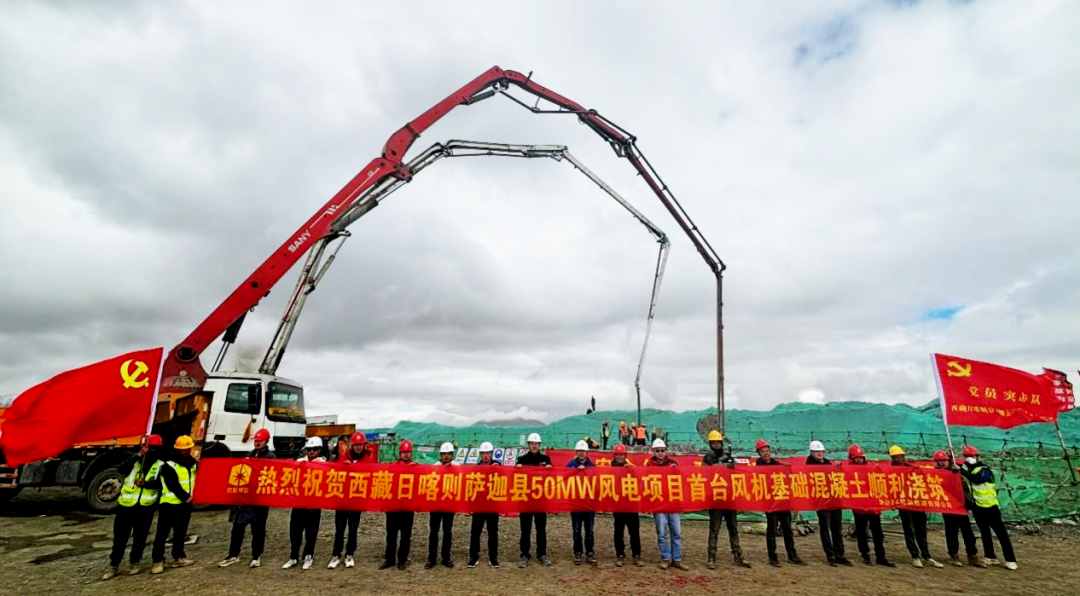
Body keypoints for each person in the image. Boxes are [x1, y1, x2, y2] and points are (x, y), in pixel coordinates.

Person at [103, 434, 164, 580]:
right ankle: (114, 565)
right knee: (120, 539)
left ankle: (135, 563)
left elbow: (162, 485)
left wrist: (146, 484)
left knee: (140, 538)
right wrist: (138, 455)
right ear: (145, 447)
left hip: (145, 507)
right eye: (150, 448)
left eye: (155, 448)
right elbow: (121, 470)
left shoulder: (160, 465)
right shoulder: (136, 461)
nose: (152, 451)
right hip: (126, 506)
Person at [219, 428, 275, 569]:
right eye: (256, 441)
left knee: (258, 529)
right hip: (243, 499)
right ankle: (233, 555)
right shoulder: (249, 455)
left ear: (266, 441)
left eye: (260, 441)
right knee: (237, 528)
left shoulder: (270, 457)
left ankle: (256, 556)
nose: (257, 443)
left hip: (258, 500)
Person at [960, 445, 1017, 570]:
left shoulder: (985, 469)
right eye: (966, 456)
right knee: (984, 532)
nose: (969, 458)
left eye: (971, 456)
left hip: (991, 506)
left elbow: (978, 480)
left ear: (977, 456)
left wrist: (961, 470)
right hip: (977, 506)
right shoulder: (967, 469)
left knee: (1001, 533)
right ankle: (990, 556)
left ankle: (1010, 559)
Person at [889, 445, 943, 568]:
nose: (899, 459)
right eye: (896, 457)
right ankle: (915, 556)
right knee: (909, 531)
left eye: (901, 456)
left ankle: (927, 556)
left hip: (917, 503)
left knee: (921, 531)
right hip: (904, 505)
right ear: (892, 458)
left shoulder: (912, 469)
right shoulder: (889, 471)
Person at [151, 435, 198, 574]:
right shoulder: (168, 465)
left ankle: (178, 557)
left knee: (181, 533)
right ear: (177, 449)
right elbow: (172, 484)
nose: (186, 451)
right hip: (170, 504)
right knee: (162, 534)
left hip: (185, 505)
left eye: (188, 449)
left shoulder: (192, 463)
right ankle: (157, 561)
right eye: (183, 449)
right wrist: (186, 497)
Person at [702, 430, 749, 569]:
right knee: (714, 529)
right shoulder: (707, 458)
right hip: (716, 499)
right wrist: (722, 467)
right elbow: (704, 474)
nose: (716, 444)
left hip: (729, 498)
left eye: (718, 442)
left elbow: (735, 474)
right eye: (713, 442)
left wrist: (732, 466)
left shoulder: (728, 456)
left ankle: (738, 555)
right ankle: (711, 557)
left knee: (733, 529)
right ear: (710, 444)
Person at [933, 450, 985, 568]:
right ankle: (954, 555)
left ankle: (972, 556)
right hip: (947, 506)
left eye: (944, 460)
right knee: (951, 532)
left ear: (948, 460)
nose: (942, 463)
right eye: (939, 461)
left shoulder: (957, 470)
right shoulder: (935, 474)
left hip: (960, 505)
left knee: (968, 532)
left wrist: (958, 471)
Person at [755, 439, 803, 567]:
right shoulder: (758, 466)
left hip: (782, 500)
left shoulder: (776, 464)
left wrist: (787, 468)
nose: (766, 453)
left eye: (767, 451)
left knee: (787, 529)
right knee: (772, 530)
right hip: (770, 503)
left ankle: (792, 554)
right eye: (763, 451)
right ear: (759, 453)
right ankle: (772, 556)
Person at [283, 437, 327, 570]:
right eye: (309, 449)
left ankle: (308, 556)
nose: (311, 452)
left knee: (311, 532)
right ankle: (293, 556)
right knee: (295, 531)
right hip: (299, 503)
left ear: (319, 450)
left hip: (313, 504)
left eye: (314, 449)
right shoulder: (300, 462)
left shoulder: (324, 464)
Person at [847, 444, 894, 567]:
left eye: (860, 457)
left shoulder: (871, 467)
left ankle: (881, 556)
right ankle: (865, 554)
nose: (859, 460)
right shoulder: (847, 468)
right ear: (851, 458)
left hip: (873, 507)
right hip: (859, 507)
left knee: (878, 532)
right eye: (856, 458)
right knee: (861, 532)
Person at [806, 440, 851, 566]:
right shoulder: (808, 466)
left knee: (837, 529)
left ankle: (840, 555)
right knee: (825, 529)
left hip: (834, 500)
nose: (819, 454)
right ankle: (830, 555)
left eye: (821, 451)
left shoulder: (827, 463)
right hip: (822, 502)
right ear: (812, 452)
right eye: (816, 452)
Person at [329, 432, 368, 569]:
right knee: (339, 529)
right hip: (342, 501)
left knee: (353, 530)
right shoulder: (343, 457)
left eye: (360, 445)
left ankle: (349, 554)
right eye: (356, 445)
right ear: (352, 445)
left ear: (364, 445)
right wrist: (342, 467)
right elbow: (334, 474)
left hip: (356, 501)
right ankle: (336, 555)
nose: (358, 447)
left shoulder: (368, 460)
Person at [646, 439, 687, 570]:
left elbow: (681, 481)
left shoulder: (673, 464)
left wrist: (676, 471)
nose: (660, 453)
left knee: (676, 532)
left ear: (666, 451)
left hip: (673, 503)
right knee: (662, 532)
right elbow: (645, 482)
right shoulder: (649, 466)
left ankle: (677, 559)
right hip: (659, 504)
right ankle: (666, 558)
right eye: (657, 451)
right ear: (653, 452)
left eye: (662, 451)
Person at [516, 432, 553, 568]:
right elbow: (514, 477)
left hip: (540, 500)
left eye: (536, 444)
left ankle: (541, 554)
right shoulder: (522, 460)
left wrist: (551, 469)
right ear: (528, 445)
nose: (534, 446)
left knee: (541, 529)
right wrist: (517, 468)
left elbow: (553, 478)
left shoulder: (546, 460)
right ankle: (524, 554)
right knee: (525, 529)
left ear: (539, 445)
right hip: (526, 500)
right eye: (532, 444)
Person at [382, 439, 419, 570]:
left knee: (405, 535)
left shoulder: (416, 468)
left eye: (408, 452)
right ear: (400, 453)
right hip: (393, 506)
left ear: (411, 453)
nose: (405, 455)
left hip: (408, 507)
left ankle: (402, 559)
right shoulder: (392, 467)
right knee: (391, 534)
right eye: (403, 452)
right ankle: (389, 559)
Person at [610, 444, 643, 567]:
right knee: (618, 531)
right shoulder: (609, 468)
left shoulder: (631, 467)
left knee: (634, 531)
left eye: (621, 454)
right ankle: (620, 554)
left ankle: (636, 555)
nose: (619, 457)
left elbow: (640, 480)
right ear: (614, 455)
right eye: (617, 454)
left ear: (625, 455)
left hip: (631, 504)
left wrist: (632, 470)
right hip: (618, 504)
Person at [469, 442, 501, 568]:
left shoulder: (498, 466)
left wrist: (498, 468)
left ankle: (493, 557)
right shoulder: (476, 469)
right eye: (483, 453)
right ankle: (473, 557)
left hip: (492, 504)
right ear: (480, 454)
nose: (486, 456)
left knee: (493, 532)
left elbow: (505, 480)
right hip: (479, 505)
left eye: (488, 453)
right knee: (475, 532)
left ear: (491, 454)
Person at [426, 442, 458, 569]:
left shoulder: (457, 466)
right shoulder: (435, 467)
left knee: (447, 531)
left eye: (448, 454)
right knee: (434, 532)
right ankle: (431, 558)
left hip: (449, 503)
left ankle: (446, 557)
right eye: (444, 454)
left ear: (452, 454)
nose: (446, 456)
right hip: (436, 504)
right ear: (440, 455)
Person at [567, 440, 598, 566]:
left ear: (587, 452)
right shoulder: (570, 465)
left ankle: (590, 552)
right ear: (576, 452)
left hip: (589, 503)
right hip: (575, 503)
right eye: (579, 451)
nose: (581, 453)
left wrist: (587, 472)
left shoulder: (592, 466)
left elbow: (597, 483)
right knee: (576, 530)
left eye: (583, 451)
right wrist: (574, 471)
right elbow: (564, 478)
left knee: (589, 530)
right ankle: (578, 552)